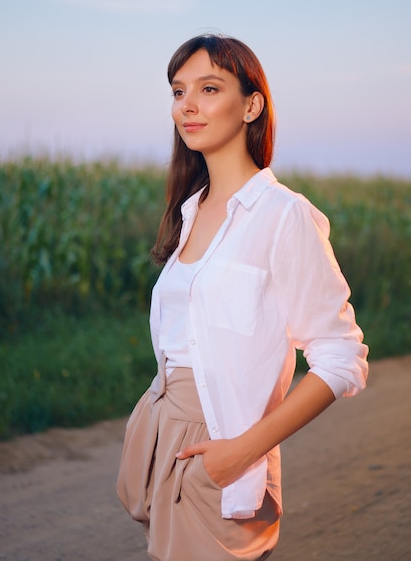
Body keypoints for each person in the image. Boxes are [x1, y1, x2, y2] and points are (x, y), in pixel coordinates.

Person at [116, 34, 369, 561]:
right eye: (178, 91)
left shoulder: (283, 216)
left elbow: (341, 357)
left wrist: (239, 454)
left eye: (209, 88)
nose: (188, 105)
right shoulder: (190, 213)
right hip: (164, 443)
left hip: (224, 452)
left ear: (252, 104)